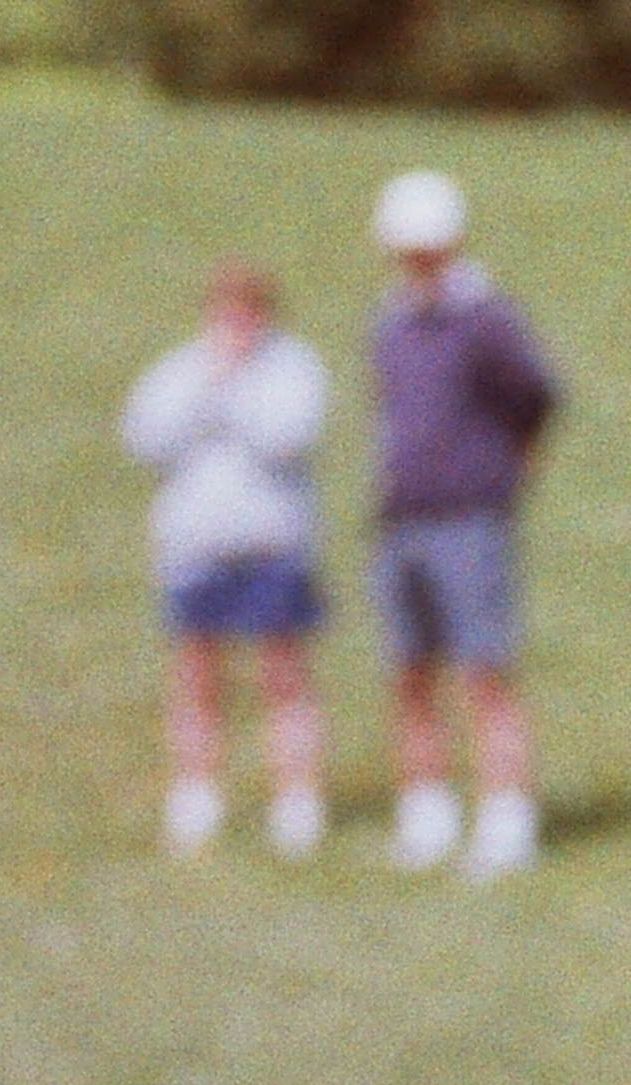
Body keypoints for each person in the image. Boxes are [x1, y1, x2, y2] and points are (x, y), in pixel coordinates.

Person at [364, 171, 561, 882]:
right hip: (403, 517)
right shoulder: (390, 322)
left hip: (469, 517)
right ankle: (428, 813)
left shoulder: (484, 319)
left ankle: (507, 819)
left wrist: (505, 465)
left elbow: (534, 394)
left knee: (484, 671)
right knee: (410, 670)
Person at [124, 264, 331, 862]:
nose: (238, 324)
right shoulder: (180, 369)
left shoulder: (293, 369)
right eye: (227, 311)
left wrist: (234, 390)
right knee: (197, 675)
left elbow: (287, 437)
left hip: (271, 545)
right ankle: (196, 796)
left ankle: (296, 801)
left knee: (283, 674)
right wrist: (207, 385)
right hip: (197, 546)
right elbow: (146, 438)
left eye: (249, 312)